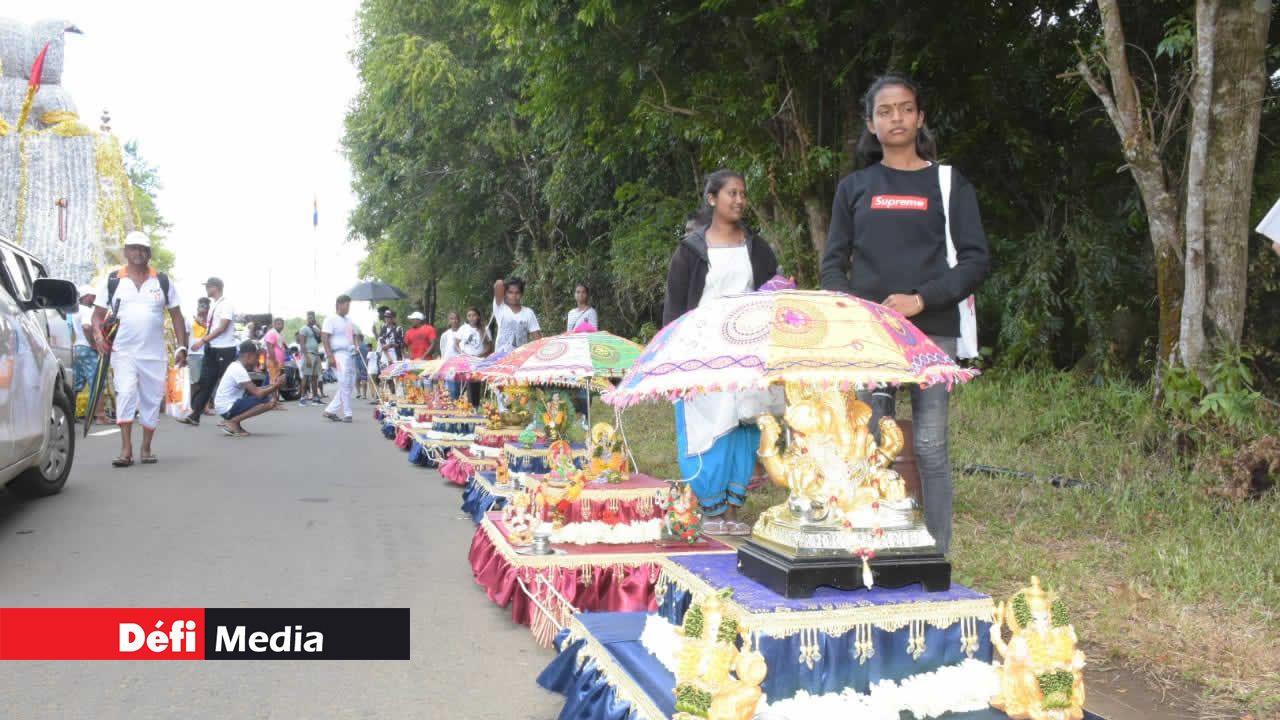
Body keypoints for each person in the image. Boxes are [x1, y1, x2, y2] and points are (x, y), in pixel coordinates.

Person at [819, 74, 990, 555]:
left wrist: (922, 299)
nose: (897, 118)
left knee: (931, 448)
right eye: (886, 111)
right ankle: (876, 551)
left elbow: (976, 261)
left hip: (932, 336)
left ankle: (936, 556)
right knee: (872, 446)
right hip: (871, 339)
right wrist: (852, 310)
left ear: (920, 117)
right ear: (871, 124)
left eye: (906, 108)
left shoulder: (948, 183)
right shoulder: (854, 188)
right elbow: (833, 262)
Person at [662, 169, 779, 535]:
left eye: (743, 194)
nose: (740, 200)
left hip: (746, 352)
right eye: (731, 193)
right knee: (706, 428)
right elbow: (674, 309)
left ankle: (732, 511)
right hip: (701, 354)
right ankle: (708, 508)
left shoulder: (757, 249)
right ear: (712, 199)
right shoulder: (691, 251)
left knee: (742, 425)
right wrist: (673, 359)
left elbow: (773, 294)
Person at [91, 231, 188, 467]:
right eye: (133, 248)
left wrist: (182, 346)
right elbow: (97, 316)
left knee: (152, 400)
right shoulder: (113, 281)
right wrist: (97, 335)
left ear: (149, 253)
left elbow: (177, 316)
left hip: (154, 354)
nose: (138, 253)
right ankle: (126, 448)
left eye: (143, 249)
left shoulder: (162, 281)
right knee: (125, 393)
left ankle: (146, 447)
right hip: (122, 352)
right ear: (126, 251)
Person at [180, 277, 236, 427]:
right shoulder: (215, 306)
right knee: (205, 382)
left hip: (224, 349)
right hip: (212, 348)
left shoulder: (226, 304)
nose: (206, 289)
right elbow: (213, 326)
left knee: (227, 384)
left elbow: (223, 327)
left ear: (215, 287)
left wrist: (202, 341)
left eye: (208, 286)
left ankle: (231, 418)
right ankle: (195, 415)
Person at [213, 340, 281, 436]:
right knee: (268, 402)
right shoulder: (238, 369)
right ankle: (232, 421)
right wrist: (276, 386)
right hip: (227, 408)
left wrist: (273, 385)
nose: (257, 360)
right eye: (256, 356)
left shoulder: (236, 366)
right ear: (249, 356)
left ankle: (232, 422)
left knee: (266, 398)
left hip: (225, 406)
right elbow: (258, 393)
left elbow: (255, 389)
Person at [72, 284, 109, 425]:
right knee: (97, 381)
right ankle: (100, 416)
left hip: (76, 348)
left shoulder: (73, 310)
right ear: (86, 297)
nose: (94, 298)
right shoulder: (87, 311)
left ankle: (71, 414)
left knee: (76, 384)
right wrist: (94, 344)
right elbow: (87, 327)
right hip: (87, 348)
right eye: (92, 296)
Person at [322, 294, 357, 423]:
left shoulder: (348, 320)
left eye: (349, 305)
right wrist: (330, 355)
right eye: (347, 305)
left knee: (350, 383)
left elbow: (351, 336)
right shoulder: (330, 319)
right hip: (337, 355)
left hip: (349, 354)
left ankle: (330, 410)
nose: (348, 308)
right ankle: (348, 413)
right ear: (339, 305)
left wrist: (354, 346)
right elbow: (324, 337)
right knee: (343, 382)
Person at [492, 276, 541, 355]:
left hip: (520, 357)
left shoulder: (528, 313)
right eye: (510, 292)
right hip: (500, 357)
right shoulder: (500, 308)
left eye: (517, 292)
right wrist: (507, 283)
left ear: (521, 294)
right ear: (505, 294)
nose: (514, 296)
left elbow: (537, 339)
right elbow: (499, 283)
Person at [456, 306, 489, 407]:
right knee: (465, 386)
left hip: (478, 362)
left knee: (476, 387)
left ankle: (475, 407)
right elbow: (456, 343)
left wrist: (479, 355)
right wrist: (462, 352)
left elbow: (488, 347)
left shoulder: (485, 328)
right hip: (466, 361)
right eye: (469, 315)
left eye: (474, 315)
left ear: (478, 316)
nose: (471, 318)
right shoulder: (463, 328)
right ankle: (465, 407)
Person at [262, 317, 288, 409]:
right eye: (278, 324)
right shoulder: (272, 333)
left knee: (277, 382)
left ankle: (275, 401)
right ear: (274, 324)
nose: (281, 326)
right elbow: (270, 348)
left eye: (282, 324)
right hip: (274, 361)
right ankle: (273, 403)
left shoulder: (278, 334)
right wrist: (274, 360)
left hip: (279, 362)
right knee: (273, 382)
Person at [298, 310, 324, 404]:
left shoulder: (315, 329)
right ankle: (302, 398)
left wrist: (319, 326)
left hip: (316, 354)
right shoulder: (303, 329)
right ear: (307, 318)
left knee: (315, 377)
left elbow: (321, 338)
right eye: (309, 317)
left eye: (312, 317)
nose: (311, 319)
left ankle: (315, 398)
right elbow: (302, 343)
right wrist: (306, 356)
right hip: (308, 354)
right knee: (306, 376)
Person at [379, 309, 405, 395]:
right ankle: (392, 395)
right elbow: (382, 343)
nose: (387, 319)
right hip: (385, 356)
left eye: (389, 317)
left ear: (393, 318)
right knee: (387, 377)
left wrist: (390, 345)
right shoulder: (382, 328)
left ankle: (399, 395)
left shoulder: (398, 329)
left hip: (396, 355)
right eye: (386, 317)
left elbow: (401, 343)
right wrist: (388, 357)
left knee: (397, 376)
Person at [437, 310, 462, 397]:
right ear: (449, 320)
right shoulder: (445, 335)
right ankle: (452, 404)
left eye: (456, 319)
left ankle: (460, 403)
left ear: (459, 320)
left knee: (459, 386)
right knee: (451, 387)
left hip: (460, 363)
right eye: (452, 319)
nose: (454, 321)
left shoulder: (463, 333)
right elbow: (442, 349)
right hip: (448, 364)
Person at [186, 297, 209, 383]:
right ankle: (194, 397)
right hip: (193, 354)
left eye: (205, 305)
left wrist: (202, 323)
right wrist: (185, 352)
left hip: (208, 354)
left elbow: (215, 332)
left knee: (207, 382)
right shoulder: (190, 319)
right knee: (195, 381)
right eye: (201, 304)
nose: (203, 307)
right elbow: (186, 336)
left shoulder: (211, 321)